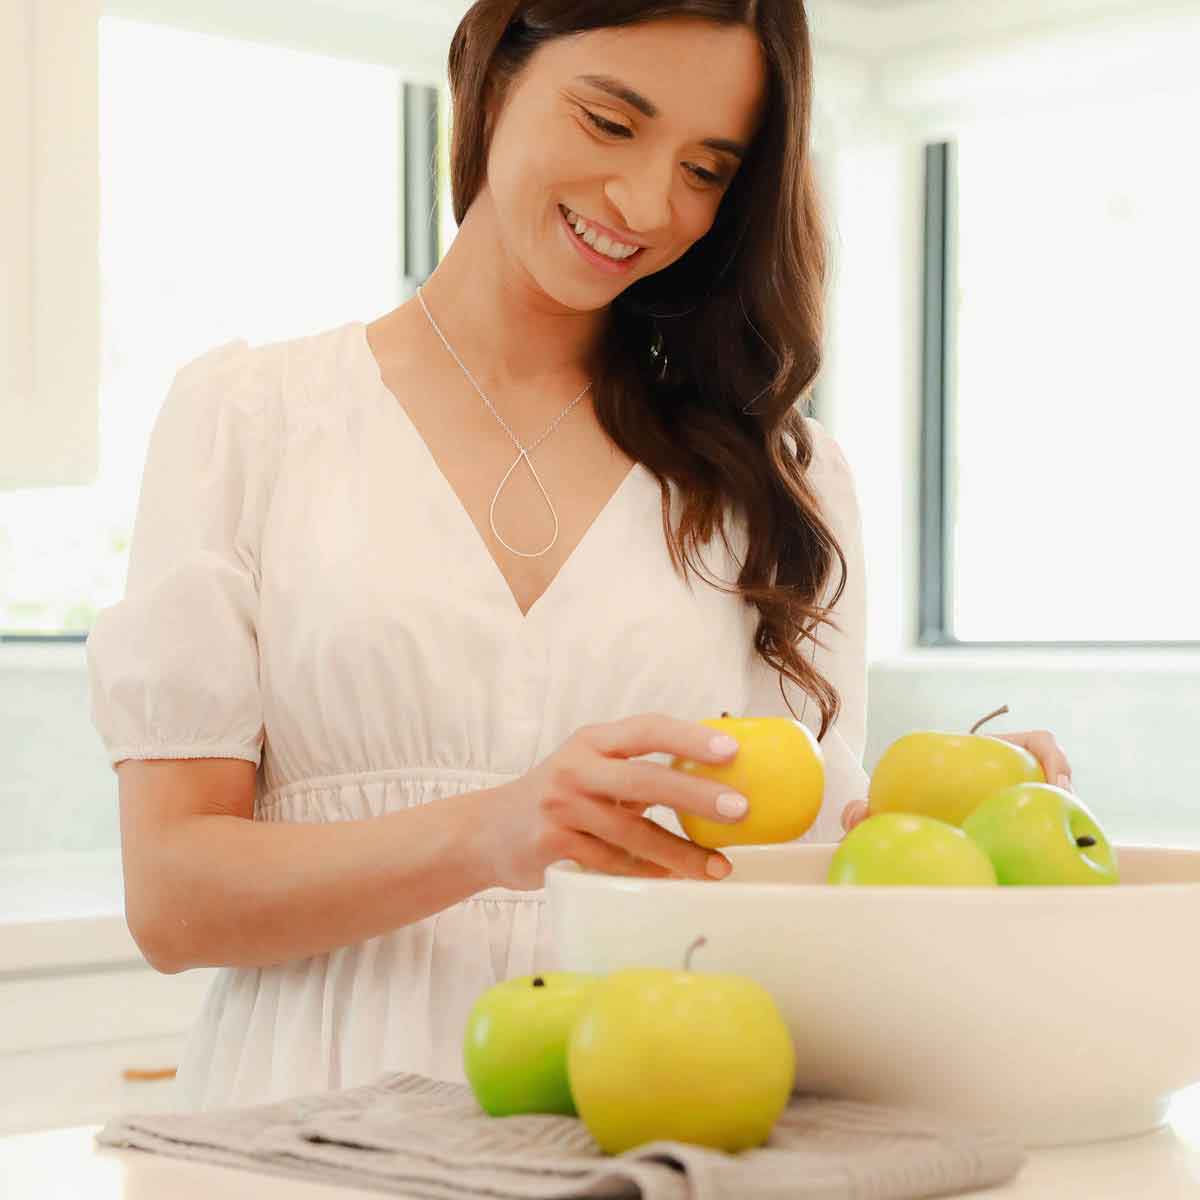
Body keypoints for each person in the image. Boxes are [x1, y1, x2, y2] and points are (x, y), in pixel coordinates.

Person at [86, 0, 1074, 1114]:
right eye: (611, 122)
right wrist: (491, 830)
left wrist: (957, 832)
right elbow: (173, 900)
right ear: (492, 73)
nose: (650, 205)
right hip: (309, 1114)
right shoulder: (249, 421)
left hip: (651, 1115)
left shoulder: (785, 480)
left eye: (707, 170)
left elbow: (804, 885)